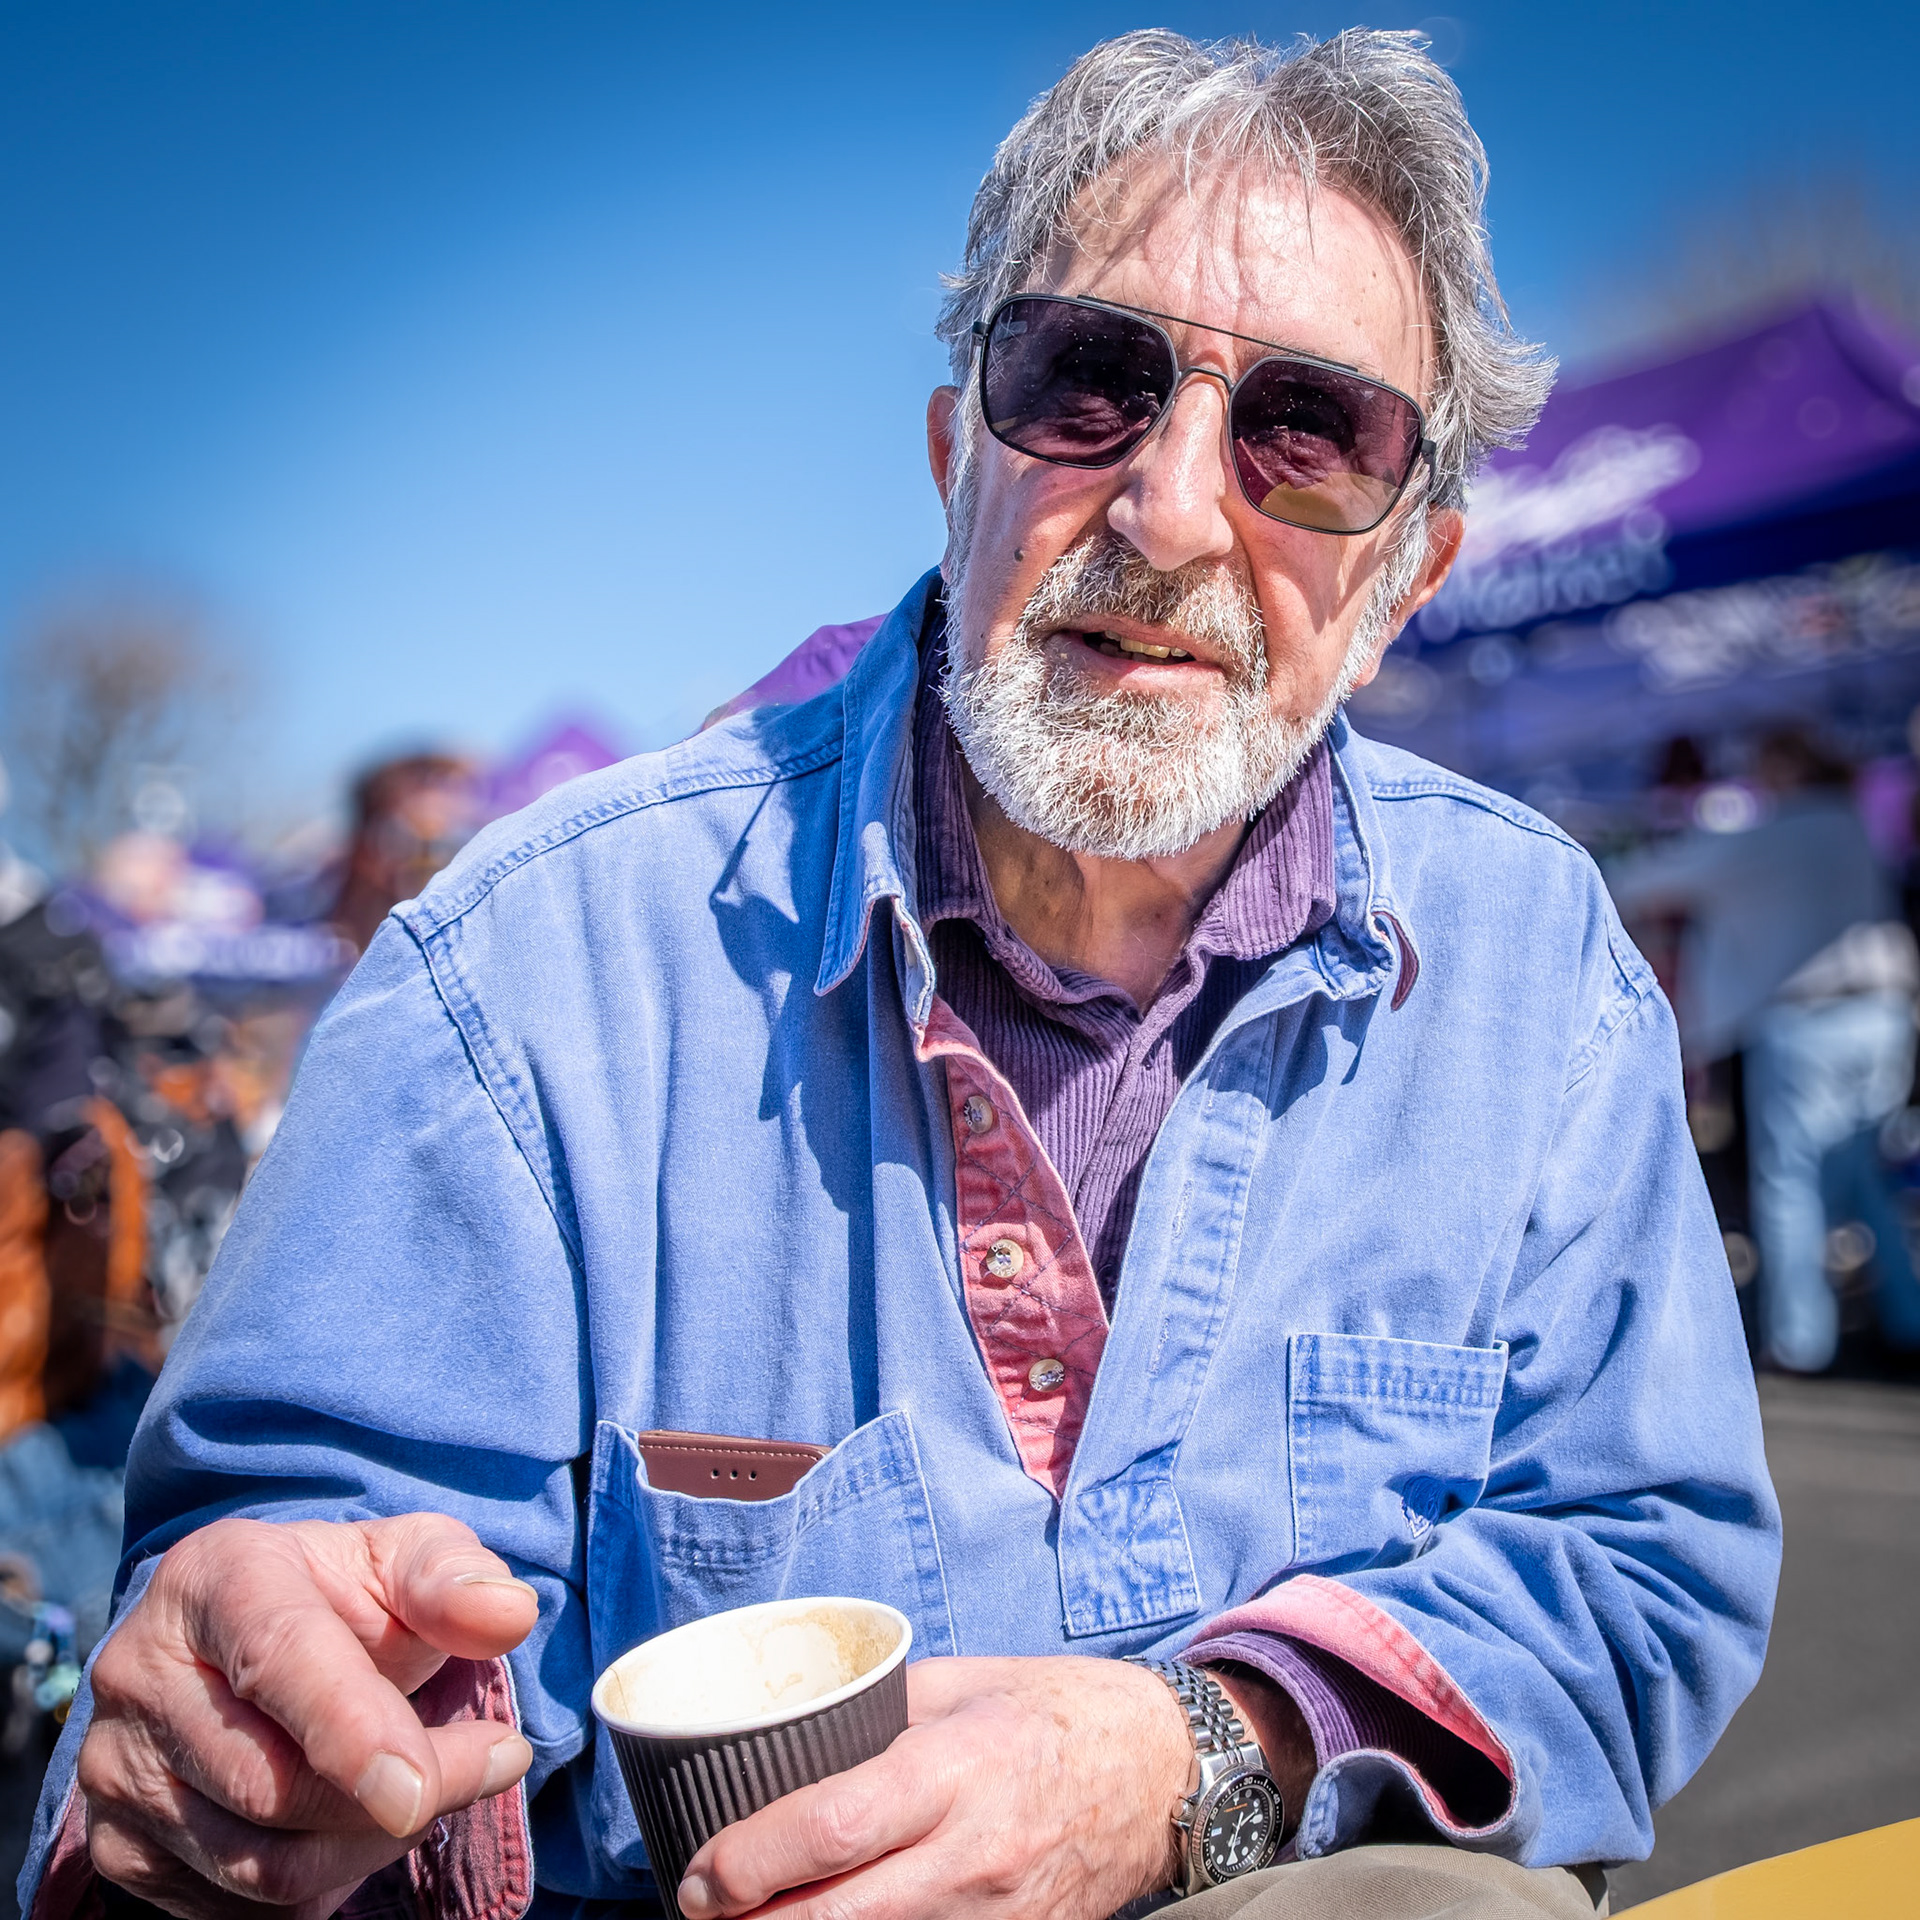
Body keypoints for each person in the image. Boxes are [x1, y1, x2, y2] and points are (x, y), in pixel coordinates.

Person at [25, 30, 1777, 1920]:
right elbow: (294, 1582)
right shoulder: (528, 974)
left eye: (1306, 433)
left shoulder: (1539, 976)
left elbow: (1641, 1555)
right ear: (961, 452)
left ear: (1407, 576)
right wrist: (274, 1714)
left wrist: (1206, 1757)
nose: (1173, 508)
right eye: (1089, 384)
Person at [1610, 727, 1920, 1374]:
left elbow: (1648, 881)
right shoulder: (1851, 824)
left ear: (1784, 764)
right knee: (1869, 1178)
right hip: (1887, 1013)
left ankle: (1800, 1342)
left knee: (1790, 1183)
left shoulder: (1774, 833)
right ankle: (1907, 1318)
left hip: (1809, 1020)